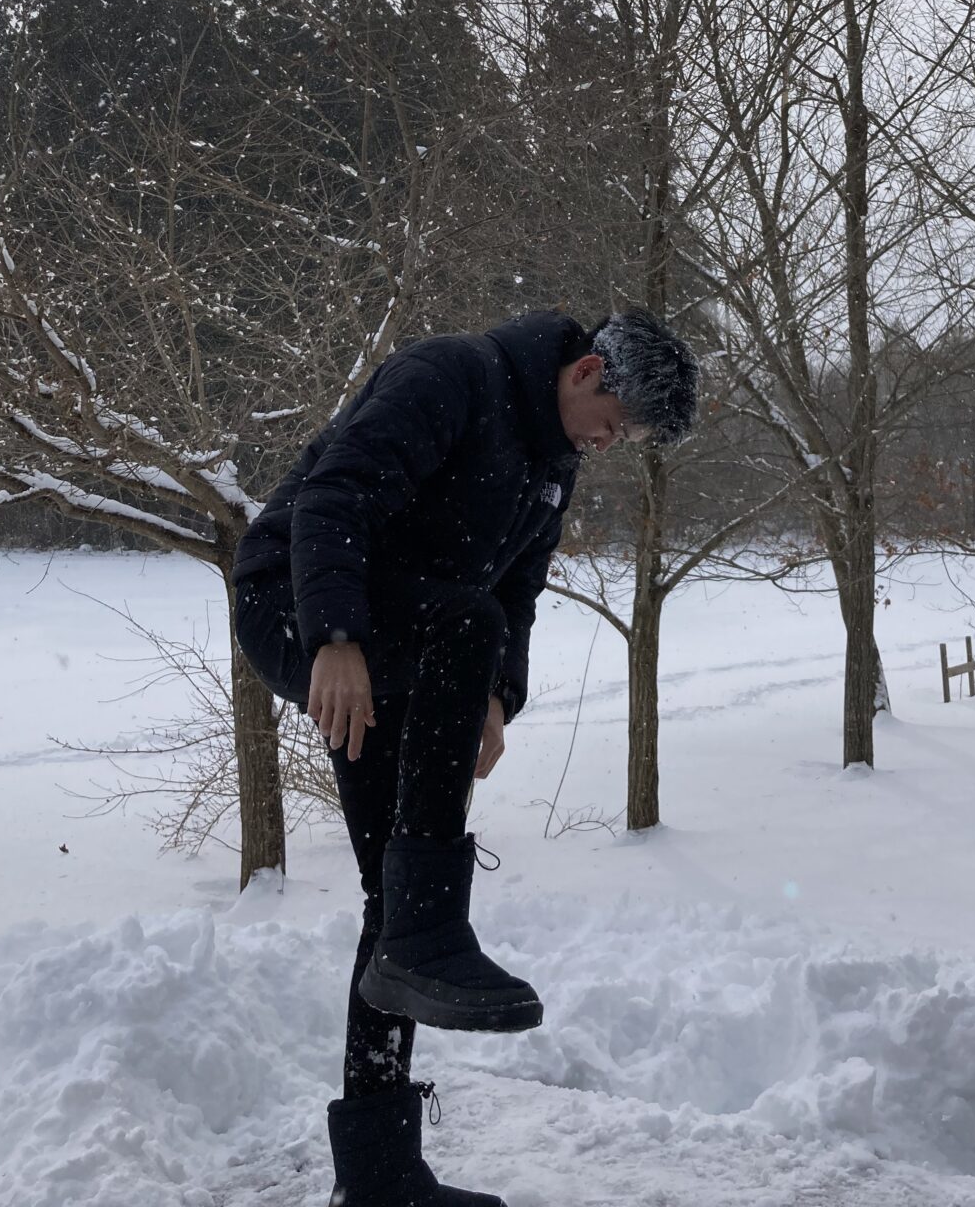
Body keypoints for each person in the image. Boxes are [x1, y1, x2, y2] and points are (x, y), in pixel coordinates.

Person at [233, 305, 699, 1207]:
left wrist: (493, 695)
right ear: (587, 374)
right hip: (300, 602)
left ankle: (378, 1177)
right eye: (614, 426)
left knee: (391, 910)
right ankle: (432, 926)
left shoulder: (549, 463)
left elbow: (517, 588)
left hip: (402, 636)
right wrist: (333, 635)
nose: (608, 445)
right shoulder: (450, 376)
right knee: (463, 625)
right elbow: (333, 498)